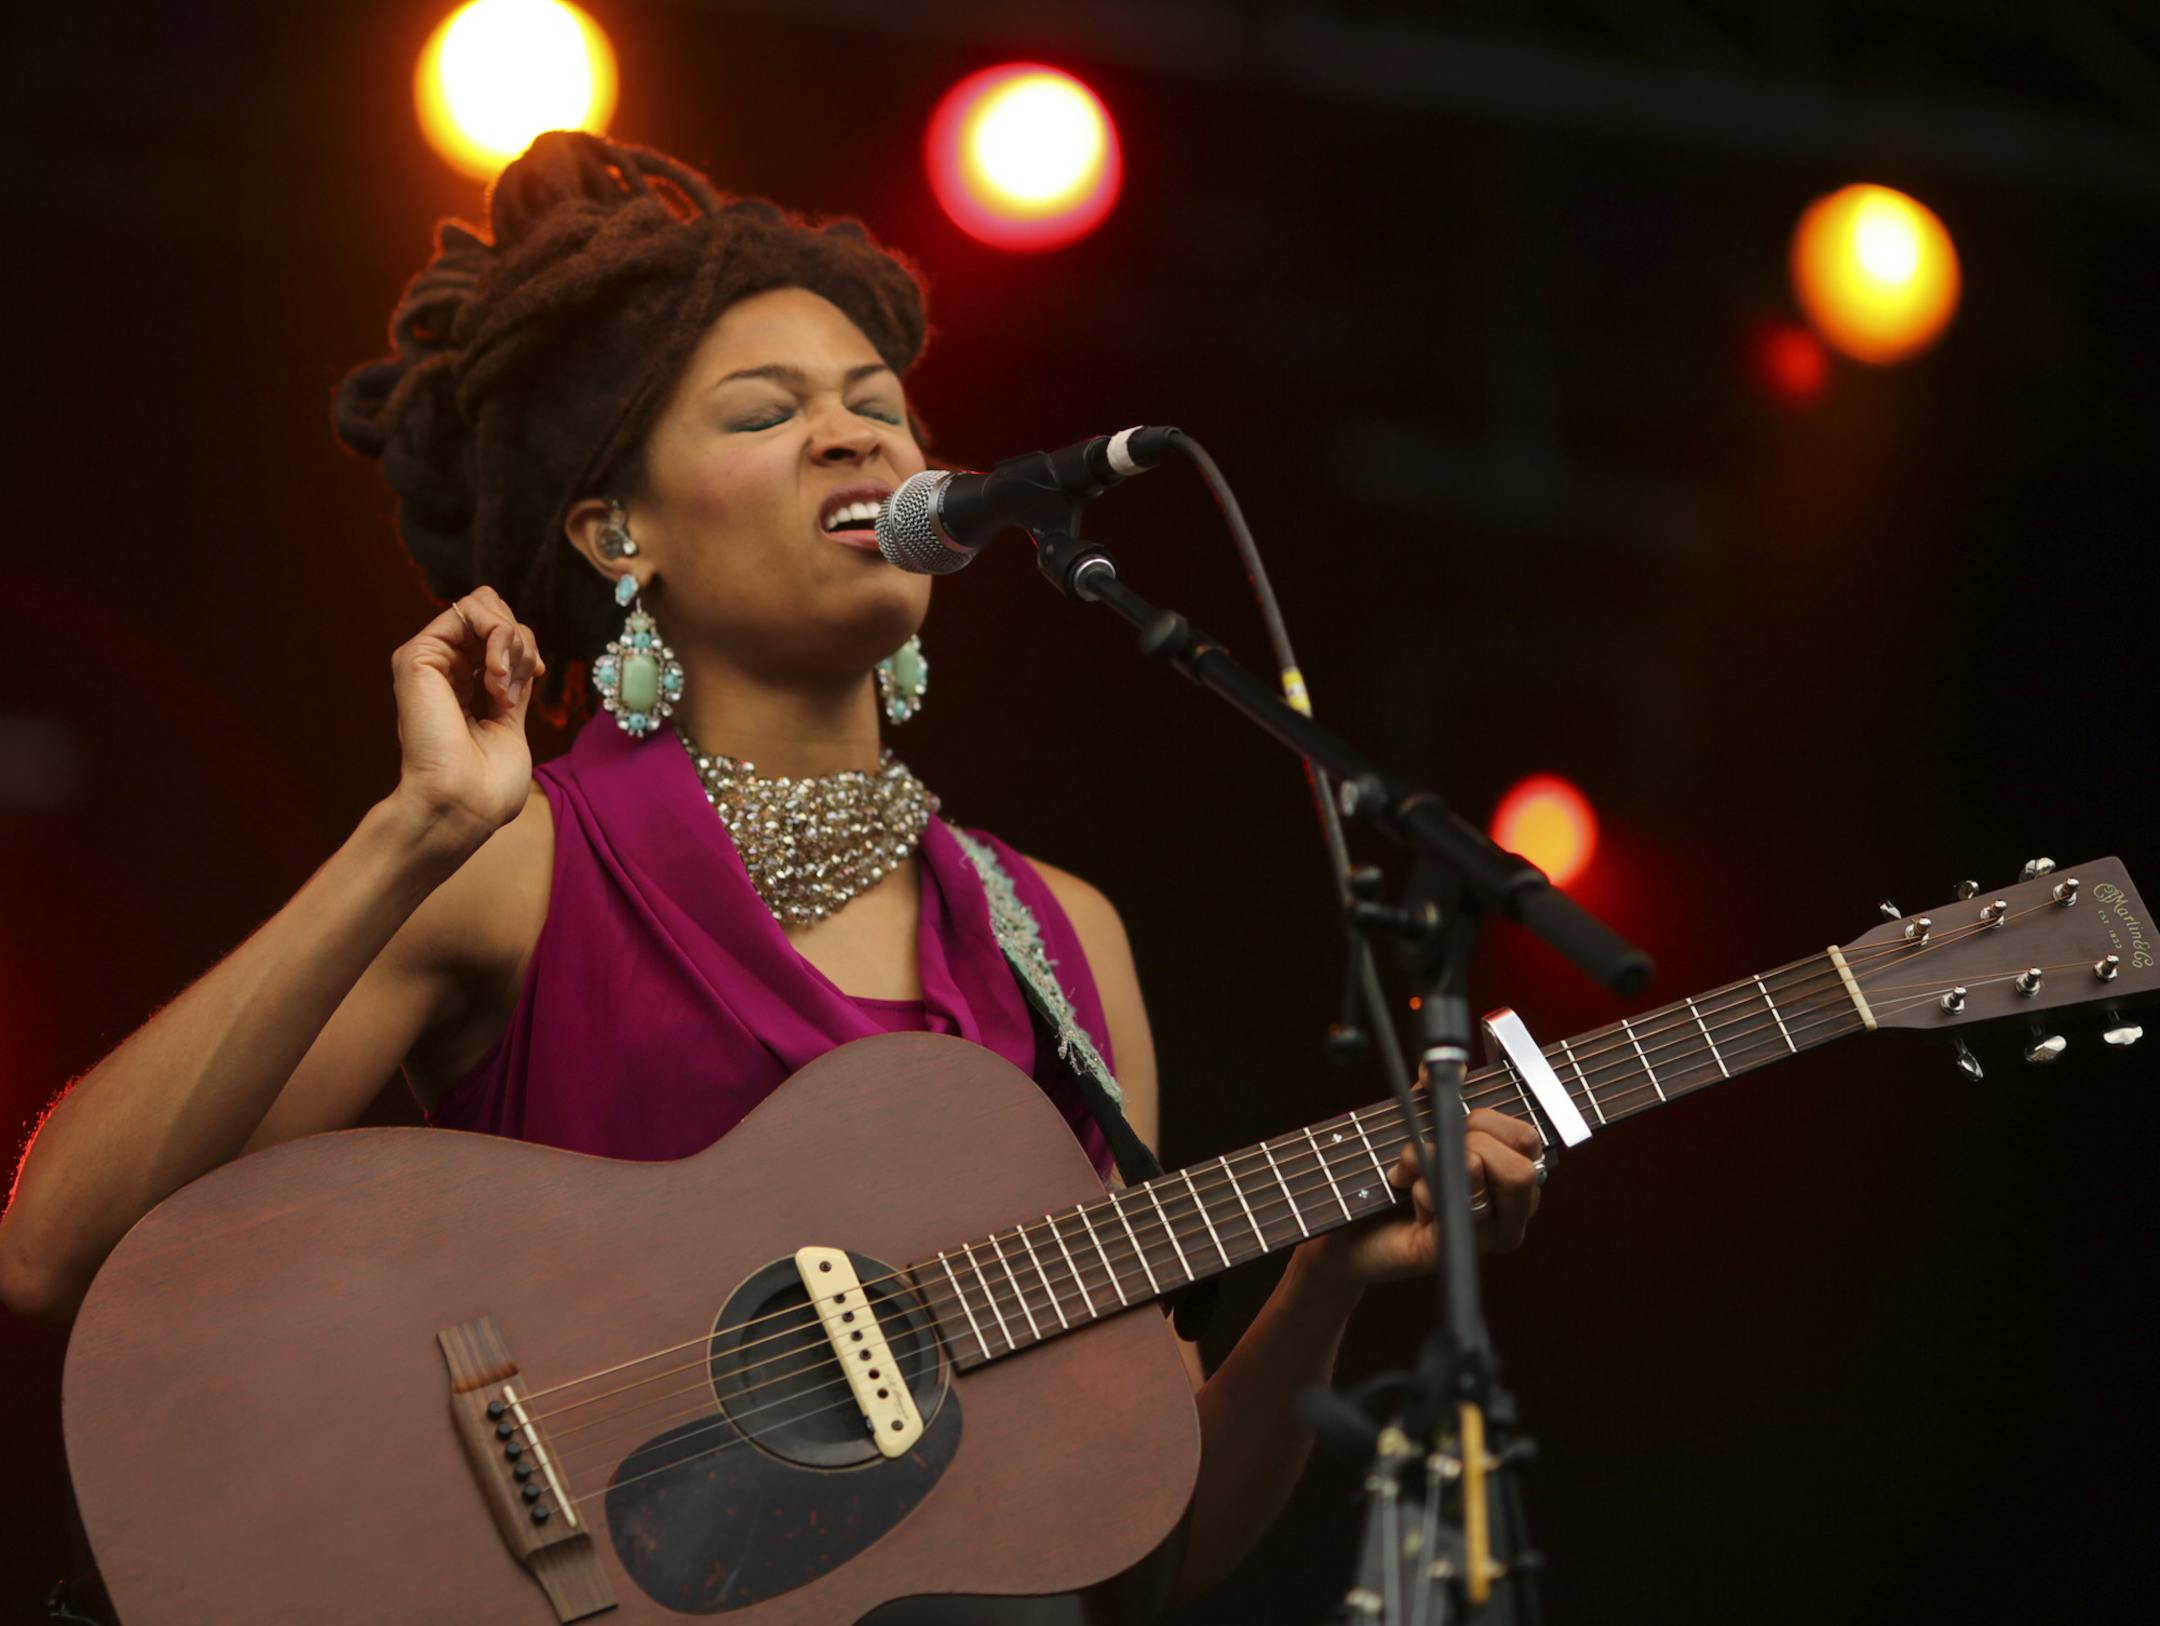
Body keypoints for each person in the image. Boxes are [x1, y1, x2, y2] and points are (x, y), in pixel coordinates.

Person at [0, 132, 1543, 1617]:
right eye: (763, 410)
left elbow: (1116, 1551)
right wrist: (412, 833)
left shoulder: (1061, 942)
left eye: (884, 404)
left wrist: (1327, 1279)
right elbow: (54, 1248)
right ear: (618, 531)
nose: (863, 433)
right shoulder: (528, 858)